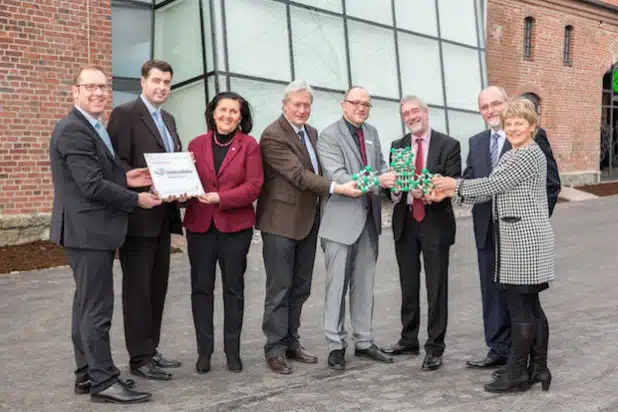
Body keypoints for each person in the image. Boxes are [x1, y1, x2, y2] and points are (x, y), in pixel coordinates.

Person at [49, 65, 161, 404]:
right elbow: (91, 184)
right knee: (97, 309)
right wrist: (136, 199)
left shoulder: (91, 127)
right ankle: (104, 381)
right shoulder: (73, 129)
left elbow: (98, 173)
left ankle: (87, 374)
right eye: (90, 87)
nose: (98, 93)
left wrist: (127, 178)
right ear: (75, 91)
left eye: (103, 87)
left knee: (85, 305)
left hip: (88, 231)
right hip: (89, 233)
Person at [432, 98, 555, 393]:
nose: (512, 128)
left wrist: (451, 185)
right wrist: (452, 192)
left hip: (522, 241)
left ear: (532, 127)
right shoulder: (521, 152)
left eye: (519, 123)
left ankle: (516, 374)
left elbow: (490, 185)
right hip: (527, 239)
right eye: (509, 123)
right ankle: (538, 368)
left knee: (520, 310)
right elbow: (493, 189)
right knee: (531, 307)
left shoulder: (524, 155)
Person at [256, 80, 362, 375]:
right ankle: (274, 348)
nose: (302, 110)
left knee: (300, 287)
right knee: (279, 289)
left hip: (308, 222)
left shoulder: (312, 133)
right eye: (297, 104)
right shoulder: (272, 136)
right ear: (284, 104)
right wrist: (337, 187)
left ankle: (291, 342)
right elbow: (299, 175)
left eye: (307, 105)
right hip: (279, 223)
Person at [463, 86, 560, 372]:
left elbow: (551, 185)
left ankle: (523, 362)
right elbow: (472, 180)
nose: (490, 110)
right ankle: (499, 349)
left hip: (520, 236)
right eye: (484, 107)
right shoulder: (477, 141)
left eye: (495, 104)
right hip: (488, 230)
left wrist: (532, 221)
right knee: (495, 296)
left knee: (522, 303)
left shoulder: (531, 141)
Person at [107, 59, 182, 381]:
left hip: (163, 217)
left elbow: (172, 162)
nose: (162, 87)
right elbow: (114, 164)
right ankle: (139, 358)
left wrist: (181, 183)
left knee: (157, 287)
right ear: (143, 81)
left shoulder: (168, 119)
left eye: (166, 81)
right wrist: (136, 182)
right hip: (137, 218)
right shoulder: (124, 115)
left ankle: (151, 349)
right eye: (156, 80)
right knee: (138, 291)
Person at [317, 86, 397, 371]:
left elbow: (384, 168)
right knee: (336, 287)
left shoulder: (373, 134)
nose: (361, 108)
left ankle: (364, 341)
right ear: (343, 105)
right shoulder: (328, 136)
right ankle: (335, 345)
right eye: (356, 103)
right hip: (340, 223)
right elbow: (338, 177)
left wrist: (396, 186)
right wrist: (380, 181)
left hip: (369, 222)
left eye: (366, 104)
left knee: (364, 286)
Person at [183, 92, 264, 374]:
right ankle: (204, 352)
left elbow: (254, 186)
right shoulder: (195, 144)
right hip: (200, 228)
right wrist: (179, 193)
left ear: (241, 117)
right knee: (201, 289)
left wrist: (222, 198)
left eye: (234, 112)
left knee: (233, 289)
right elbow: (186, 184)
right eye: (223, 110)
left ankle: (233, 352)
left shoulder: (249, 145)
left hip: (235, 229)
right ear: (212, 112)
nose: (227, 116)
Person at [381, 95, 461, 371]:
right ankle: (408, 338)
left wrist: (427, 194)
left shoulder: (448, 145)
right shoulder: (398, 146)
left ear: (426, 113)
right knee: (408, 283)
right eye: (406, 113)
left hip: (435, 222)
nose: (411, 116)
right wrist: (395, 187)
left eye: (415, 111)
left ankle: (435, 347)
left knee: (436, 286)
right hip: (405, 221)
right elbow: (390, 190)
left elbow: (452, 185)